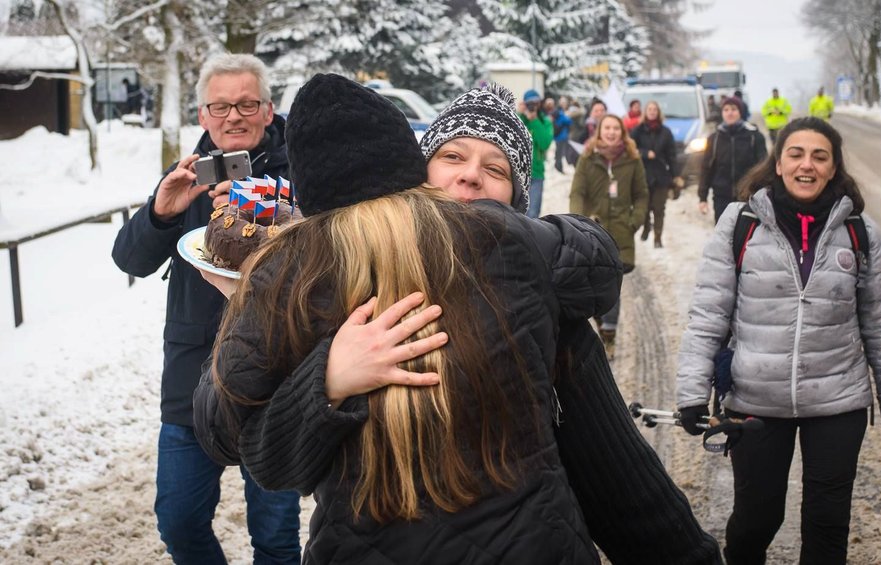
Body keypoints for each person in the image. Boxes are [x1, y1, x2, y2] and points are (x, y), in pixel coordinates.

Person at [196, 79, 723, 565]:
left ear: (515, 204)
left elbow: (617, 476)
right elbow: (249, 445)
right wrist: (326, 375)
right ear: (413, 173)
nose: (471, 174)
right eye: (451, 155)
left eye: (496, 169)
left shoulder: (527, 287)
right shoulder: (318, 284)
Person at [676, 117, 881, 564]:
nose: (808, 165)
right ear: (779, 164)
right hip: (756, 401)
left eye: (820, 156)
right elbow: (708, 314)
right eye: (796, 154)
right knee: (755, 520)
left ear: (834, 168)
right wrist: (692, 391)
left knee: (827, 526)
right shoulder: (740, 224)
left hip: (837, 402)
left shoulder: (861, 233)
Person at [112, 53, 300, 563]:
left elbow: (326, 268)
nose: (233, 116)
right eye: (220, 106)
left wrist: (272, 219)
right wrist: (158, 213)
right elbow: (129, 259)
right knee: (178, 521)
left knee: (277, 539)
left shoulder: (298, 177)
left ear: (268, 109)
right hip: (193, 377)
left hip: (276, 378)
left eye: (246, 104)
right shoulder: (187, 176)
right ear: (202, 115)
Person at [569, 113, 648, 358]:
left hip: (621, 235)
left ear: (622, 132)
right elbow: (577, 192)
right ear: (599, 131)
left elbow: (641, 194)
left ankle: (609, 337)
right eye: (607, 128)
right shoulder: (588, 158)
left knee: (611, 287)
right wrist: (580, 221)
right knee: (594, 286)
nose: (611, 132)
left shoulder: (633, 160)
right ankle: (602, 327)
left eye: (616, 128)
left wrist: (634, 222)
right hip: (593, 231)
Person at [698, 96, 767, 224]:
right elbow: (707, 168)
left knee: (745, 237)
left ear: (740, 112)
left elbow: (764, 168)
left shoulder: (754, 137)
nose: (730, 112)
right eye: (726, 109)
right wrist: (702, 197)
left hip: (748, 196)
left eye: (734, 109)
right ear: (722, 113)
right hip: (721, 196)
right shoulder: (714, 138)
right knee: (723, 237)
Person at [630, 100, 683, 247]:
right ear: (645, 112)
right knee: (645, 207)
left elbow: (672, 155)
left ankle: (658, 237)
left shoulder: (665, 132)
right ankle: (646, 228)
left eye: (655, 109)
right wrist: (645, 153)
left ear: (658, 112)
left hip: (661, 176)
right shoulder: (638, 130)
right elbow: (631, 150)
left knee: (659, 208)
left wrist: (676, 175)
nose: (652, 112)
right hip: (643, 176)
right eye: (650, 109)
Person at [519, 88, 554, 218]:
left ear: (540, 104)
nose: (533, 106)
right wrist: (520, 114)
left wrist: (534, 121)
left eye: (536, 103)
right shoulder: (518, 118)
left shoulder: (545, 122)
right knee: (516, 213)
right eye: (529, 103)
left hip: (536, 173)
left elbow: (545, 143)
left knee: (533, 214)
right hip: (518, 172)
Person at [551, 96, 574, 173]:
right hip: (562, 136)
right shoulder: (561, 113)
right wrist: (567, 116)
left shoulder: (555, 112)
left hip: (557, 136)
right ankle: (559, 168)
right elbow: (569, 121)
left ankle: (558, 167)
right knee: (561, 154)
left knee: (558, 153)